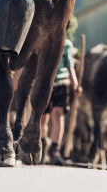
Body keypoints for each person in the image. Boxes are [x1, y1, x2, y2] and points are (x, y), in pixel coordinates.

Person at [40, 18, 81, 166]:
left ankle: (54, 150)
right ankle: (42, 146)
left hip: (62, 84)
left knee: (58, 115)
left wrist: (75, 84)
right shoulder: (44, 41)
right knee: (43, 119)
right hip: (46, 83)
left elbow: (70, 65)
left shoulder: (67, 44)